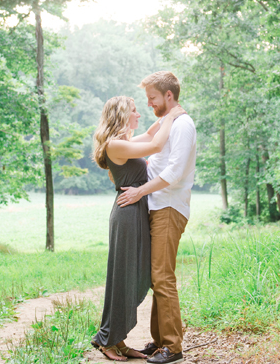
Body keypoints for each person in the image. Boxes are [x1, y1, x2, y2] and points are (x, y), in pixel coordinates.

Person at [91, 95, 186, 362]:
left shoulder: (125, 142)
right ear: (122, 115)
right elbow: (155, 145)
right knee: (124, 276)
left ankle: (117, 339)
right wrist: (170, 116)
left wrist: (170, 115)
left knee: (136, 275)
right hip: (127, 215)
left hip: (136, 213)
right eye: (134, 110)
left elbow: (148, 134)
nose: (139, 113)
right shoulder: (114, 145)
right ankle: (108, 339)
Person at [117, 72, 197, 364]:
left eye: (152, 98)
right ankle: (161, 340)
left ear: (168, 95)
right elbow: (149, 145)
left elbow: (174, 173)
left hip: (169, 207)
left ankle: (173, 347)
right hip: (156, 205)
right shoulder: (168, 123)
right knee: (156, 277)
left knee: (163, 278)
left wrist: (139, 192)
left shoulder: (183, 125)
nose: (148, 103)